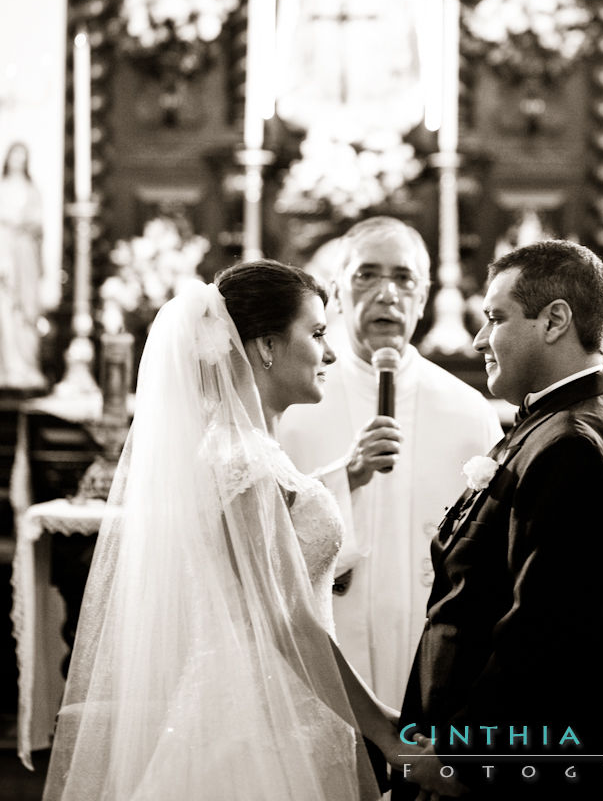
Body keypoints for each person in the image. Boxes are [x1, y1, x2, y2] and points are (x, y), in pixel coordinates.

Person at [43, 260, 441, 801]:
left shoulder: (247, 454)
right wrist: (382, 729)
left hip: (286, 704)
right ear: (267, 346)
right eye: (318, 332)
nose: (328, 353)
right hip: (259, 723)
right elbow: (286, 620)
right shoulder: (240, 462)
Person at [394, 240, 603, 799]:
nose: (479, 340)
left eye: (495, 318)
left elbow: (544, 636)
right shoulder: (557, 421)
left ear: (555, 320)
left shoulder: (575, 445)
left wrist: (458, 759)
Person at [279, 217, 503, 711]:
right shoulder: (293, 407)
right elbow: (257, 543)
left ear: (424, 298)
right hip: (321, 659)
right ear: (336, 293)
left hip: (432, 661)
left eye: (403, 278)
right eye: (366, 275)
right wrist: (345, 478)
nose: (387, 294)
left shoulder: (469, 411)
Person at [0, 141, 46, 389]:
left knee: (27, 310)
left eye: (22, 156)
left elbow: (38, 225)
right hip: (5, 254)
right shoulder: (2, 188)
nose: (17, 160)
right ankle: (9, 365)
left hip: (25, 256)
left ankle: (26, 364)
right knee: (7, 309)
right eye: (14, 155)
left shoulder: (31, 190)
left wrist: (25, 225)